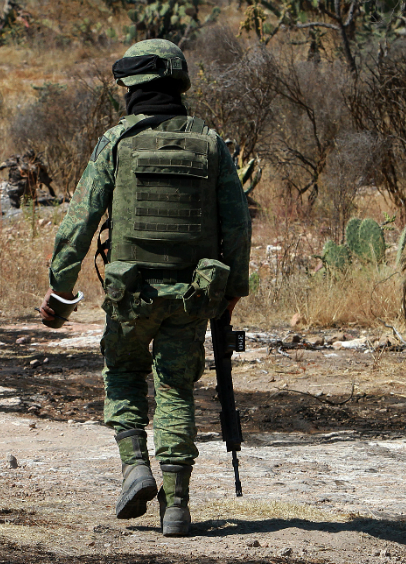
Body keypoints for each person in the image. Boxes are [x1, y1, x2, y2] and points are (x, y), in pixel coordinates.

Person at [38, 38, 251, 537]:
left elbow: (78, 223)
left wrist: (60, 291)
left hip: (130, 295)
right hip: (193, 295)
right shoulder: (210, 143)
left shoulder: (117, 142)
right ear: (179, 84)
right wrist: (233, 291)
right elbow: (238, 225)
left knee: (124, 372)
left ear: (133, 87)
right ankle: (176, 506)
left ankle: (135, 466)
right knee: (175, 388)